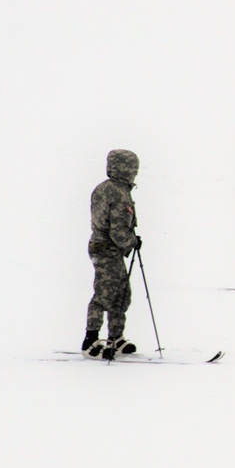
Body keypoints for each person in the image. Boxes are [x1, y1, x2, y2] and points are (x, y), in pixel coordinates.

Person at [82, 149, 142, 359]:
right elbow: (116, 229)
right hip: (106, 247)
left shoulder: (110, 188)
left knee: (121, 293)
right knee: (105, 293)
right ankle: (91, 340)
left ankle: (115, 338)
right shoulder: (116, 191)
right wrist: (132, 241)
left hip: (109, 248)